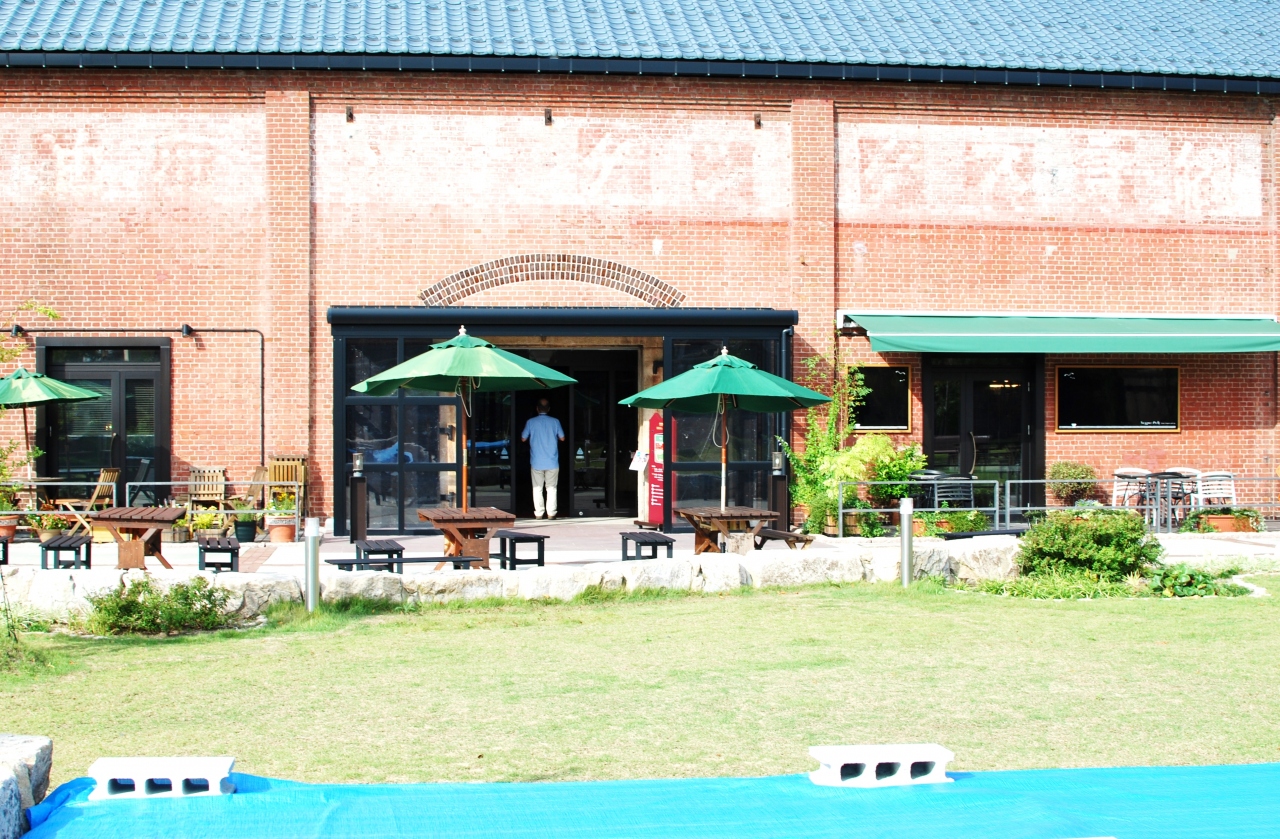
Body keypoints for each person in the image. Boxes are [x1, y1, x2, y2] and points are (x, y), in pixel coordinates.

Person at [521, 398, 565, 519]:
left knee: (537, 488)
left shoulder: (531, 422)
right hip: (552, 461)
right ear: (549, 409)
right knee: (551, 488)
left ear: (537, 409)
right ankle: (551, 513)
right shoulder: (555, 422)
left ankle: (539, 513)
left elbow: (523, 438)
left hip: (536, 461)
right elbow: (562, 438)